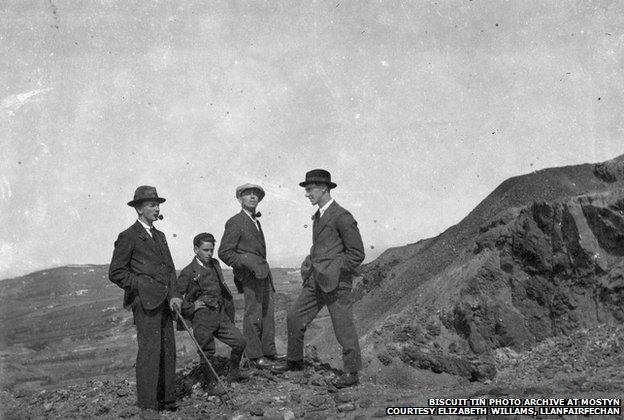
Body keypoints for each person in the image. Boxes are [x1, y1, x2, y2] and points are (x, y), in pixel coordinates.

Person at [272, 169, 365, 389]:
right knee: (294, 316)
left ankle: (351, 373)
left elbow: (357, 253)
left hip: (336, 283)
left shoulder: (342, 216)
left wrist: (334, 269)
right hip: (316, 279)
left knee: (343, 328)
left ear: (324, 188)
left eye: (310, 189)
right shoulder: (319, 216)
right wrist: (311, 260)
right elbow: (325, 246)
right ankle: (294, 361)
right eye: (306, 190)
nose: (306, 194)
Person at [108, 185, 183, 417]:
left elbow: (170, 269)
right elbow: (116, 272)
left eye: (157, 204)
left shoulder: (159, 236)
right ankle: (148, 405)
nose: (157, 208)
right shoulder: (128, 236)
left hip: (165, 303)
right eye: (151, 204)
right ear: (139, 209)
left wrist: (175, 295)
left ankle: (167, 398)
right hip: (145, 302)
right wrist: (141, 286)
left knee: (168, 349)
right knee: (150, 351)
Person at [218, 183, 285, 369]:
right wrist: (246, 266)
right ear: (240, 199)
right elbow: (224, 252)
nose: (253, 197)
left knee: (267, 313)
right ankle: (255, 356)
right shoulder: (235, 221)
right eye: (248, 194)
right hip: (250, 276)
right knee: (253, 314)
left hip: (264, 274)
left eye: (256, 194)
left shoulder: (256, 221)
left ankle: (268, 352)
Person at [177, 232, 246, 389]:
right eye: (205, 250)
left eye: (211, 250)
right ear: (196, 249)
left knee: (240, 342)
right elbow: (177, 295)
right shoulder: (188, 272)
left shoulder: (215, 264)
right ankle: (210, 385)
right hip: (202, 318)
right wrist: (191, 307)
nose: (209, 254)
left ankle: (234, 373)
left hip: (220, 315)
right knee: (207, 353)